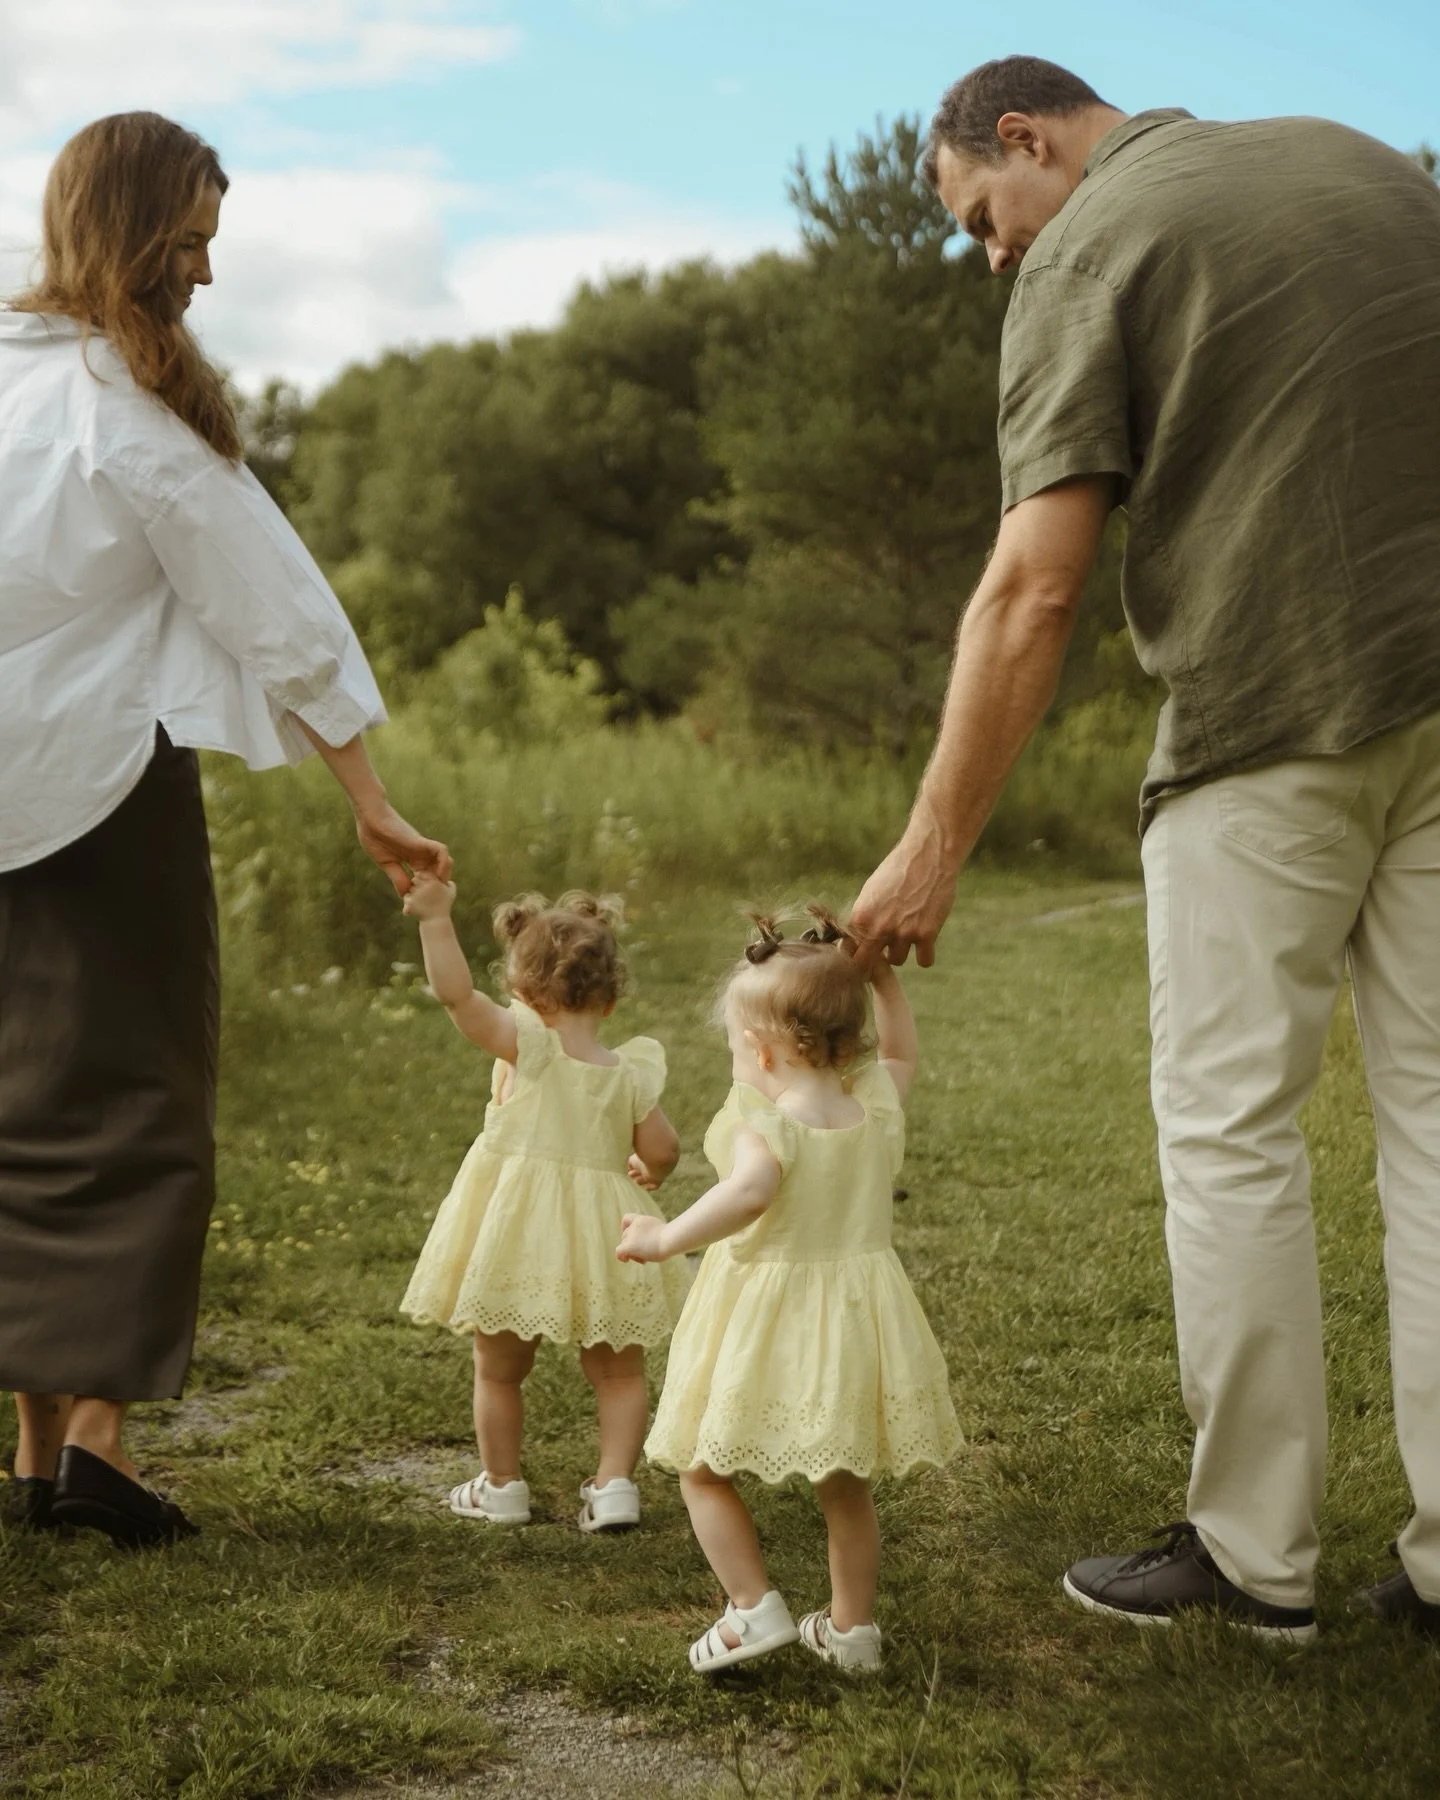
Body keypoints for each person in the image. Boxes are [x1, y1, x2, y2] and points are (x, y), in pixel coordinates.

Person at [849, 55, 1440, 1641]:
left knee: (1233, 1130)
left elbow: (1033, 587)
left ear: (1027, 141)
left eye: (982, 217)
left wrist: (930, 845)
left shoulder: (1094, 250)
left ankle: (1255, 1559)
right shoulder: (1377, 165)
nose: (993, 255)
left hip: (1271, 720)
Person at [0, 113, 450, 1547]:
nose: (200, 274)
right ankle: (101, 1452)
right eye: (184, 243)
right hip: (96, 797)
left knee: (17, 1114)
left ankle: (31, 1454)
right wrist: (372, 805)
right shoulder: (125, 417)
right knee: (133, 1103)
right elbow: (285, 622)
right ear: (127, 236)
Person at [618, 909, 960, 1673]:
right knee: (844, 1482)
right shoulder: (872, 1108)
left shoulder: (768, 1128)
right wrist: (884, 983)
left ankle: (750, 1611)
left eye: (737, 1045)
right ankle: (852, 1633)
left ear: (766, 1051)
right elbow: (900, 1050)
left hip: (764, 1318)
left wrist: (663, 1237)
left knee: (702, 1466)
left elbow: (747, 1197)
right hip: (849, 1320)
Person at [399, 880, 690, 1532]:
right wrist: (650, 1169)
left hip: (516, 1232)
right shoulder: (629, 1072)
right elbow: (665, 1148)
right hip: (601, 1232)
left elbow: (454, 995)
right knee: (618, 1370)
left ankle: (502, 1486)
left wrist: (437, 920)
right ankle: (615, 1485)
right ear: (611, 996)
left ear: (522, 992)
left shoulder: (525, 1045)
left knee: (498, 1370)